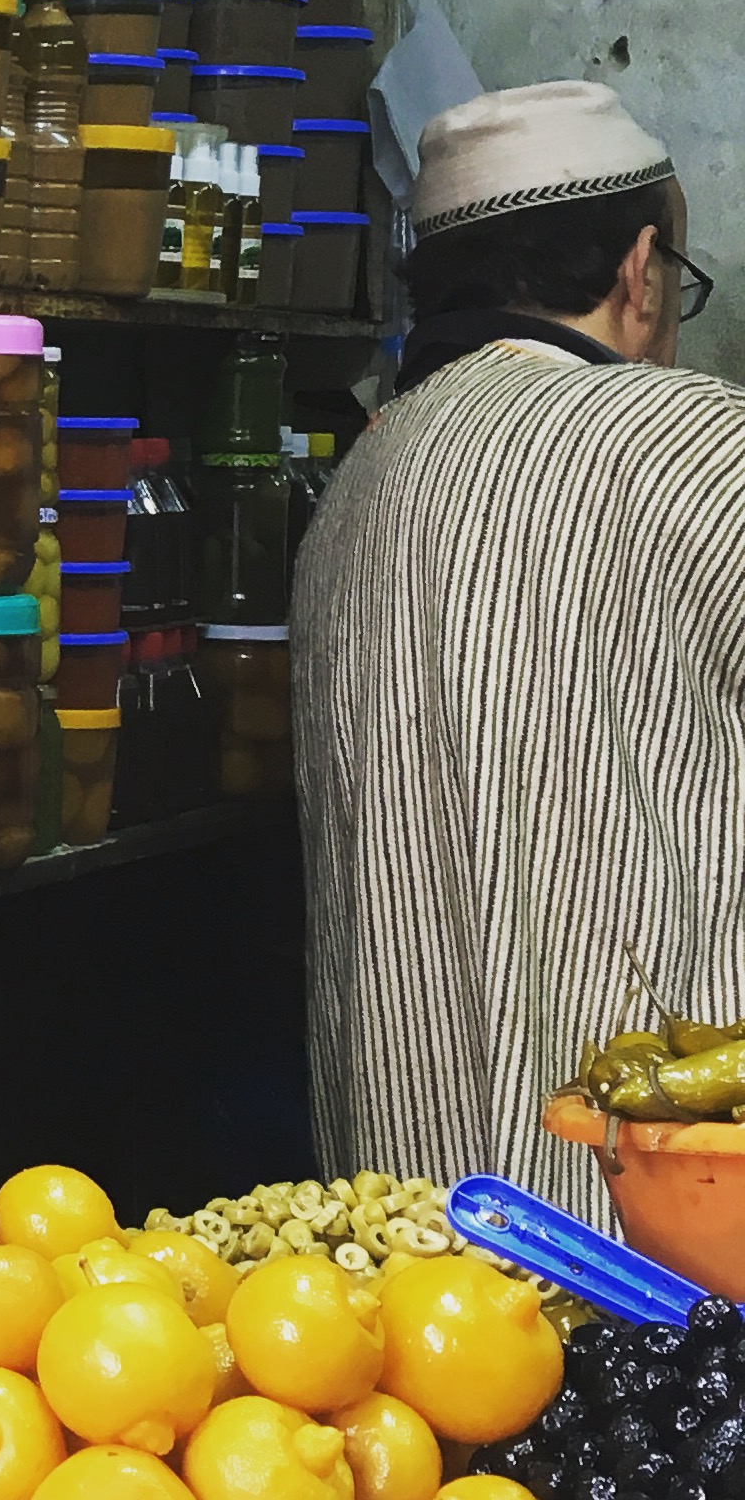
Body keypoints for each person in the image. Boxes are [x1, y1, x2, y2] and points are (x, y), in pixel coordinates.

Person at [295, 81, 741, 1219]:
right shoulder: (687, 439)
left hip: (410, 1220)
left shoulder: (358, 486)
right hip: (655, 1206)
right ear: (640, 271)